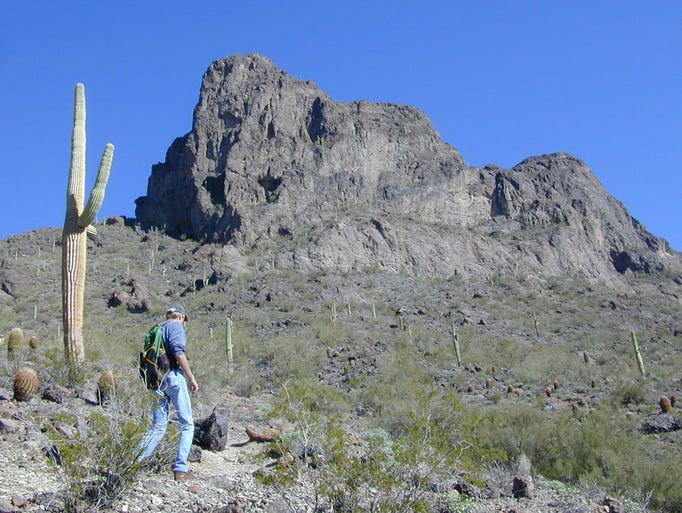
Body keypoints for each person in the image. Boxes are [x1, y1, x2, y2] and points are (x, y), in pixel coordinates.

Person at [138, 304, 199, 481]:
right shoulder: (176, 327)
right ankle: (181, 469)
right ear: (180, 316)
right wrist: (191, 377)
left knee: (158, 425)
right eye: (183, 320)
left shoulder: (157, 329)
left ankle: (134, 461)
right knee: (187, 424)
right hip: (173, 377)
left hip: (156, 380)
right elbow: (179, 354)